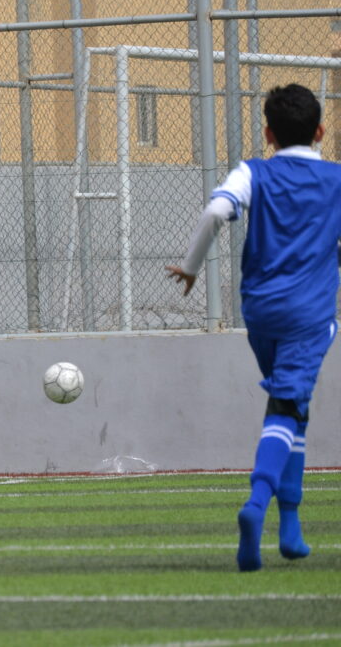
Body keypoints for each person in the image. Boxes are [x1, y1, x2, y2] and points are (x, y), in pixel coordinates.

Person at [166, 83, 341, 571]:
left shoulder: (253, 172)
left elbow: (216, 211)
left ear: (267, 134)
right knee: (286, 408)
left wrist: (192, 268)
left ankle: (292, 528)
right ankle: (258, 504)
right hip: (309, 315)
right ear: (321, 131)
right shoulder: (336, 179)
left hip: (260, 311)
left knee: (292, 405)